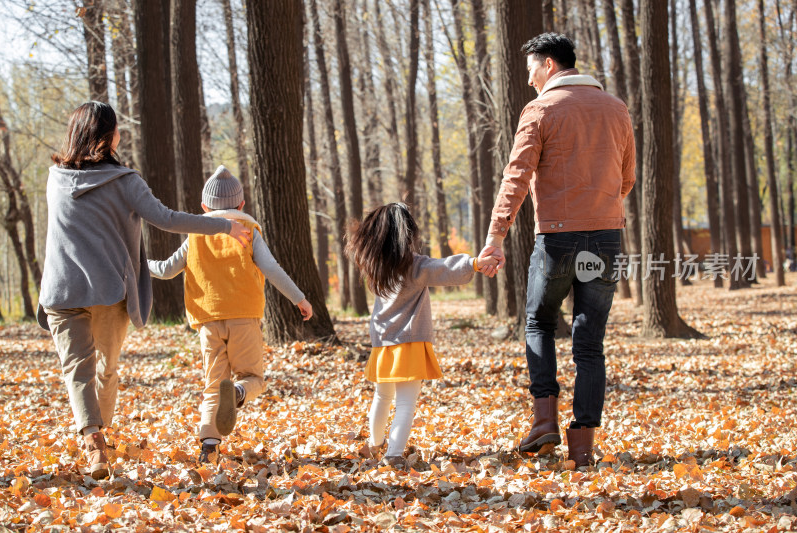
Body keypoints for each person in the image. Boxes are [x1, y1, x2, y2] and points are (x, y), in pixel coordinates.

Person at [38, 101, 252, 479]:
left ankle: (94, 440)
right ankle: (96, 440)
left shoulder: (55, 178)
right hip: (108, 290)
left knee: (78, 370)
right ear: (108, 136)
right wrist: (223, 226)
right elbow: (167, 220)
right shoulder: (124, 181)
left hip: (61, 289)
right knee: (104, 370)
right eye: (116, 128)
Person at [477, 33, 635, 467]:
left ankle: (544, 420)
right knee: (590, 342)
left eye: (530, 68)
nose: (528, 79)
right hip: (606, 236)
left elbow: (516, 178)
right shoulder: (617, 108)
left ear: (548, 64)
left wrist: (495, 238)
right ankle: (582, 447)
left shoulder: (541, 109)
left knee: (538, 321)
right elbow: (627, 179)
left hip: (557, 238)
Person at [148, 166, 313, 464]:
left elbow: (165, 269)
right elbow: (271, 269)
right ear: (241, 205)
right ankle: (237, 393)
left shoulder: (196, 234)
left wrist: (137, 263)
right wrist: (299, 298)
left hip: (208, 321)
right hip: (244, 317)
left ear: (203, 207)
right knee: (253, 378)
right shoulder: (248, 232)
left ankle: (208, 449)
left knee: (213, 386)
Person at [346, 203, 497, 469]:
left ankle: (375, 443)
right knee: (405, 402)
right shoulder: (415, 266)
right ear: (407, 235)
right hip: (409, 343)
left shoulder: (376, 267)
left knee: (382, 397)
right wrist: (474, 263)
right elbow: (444, 268)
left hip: (383, 345)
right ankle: (393, 454)